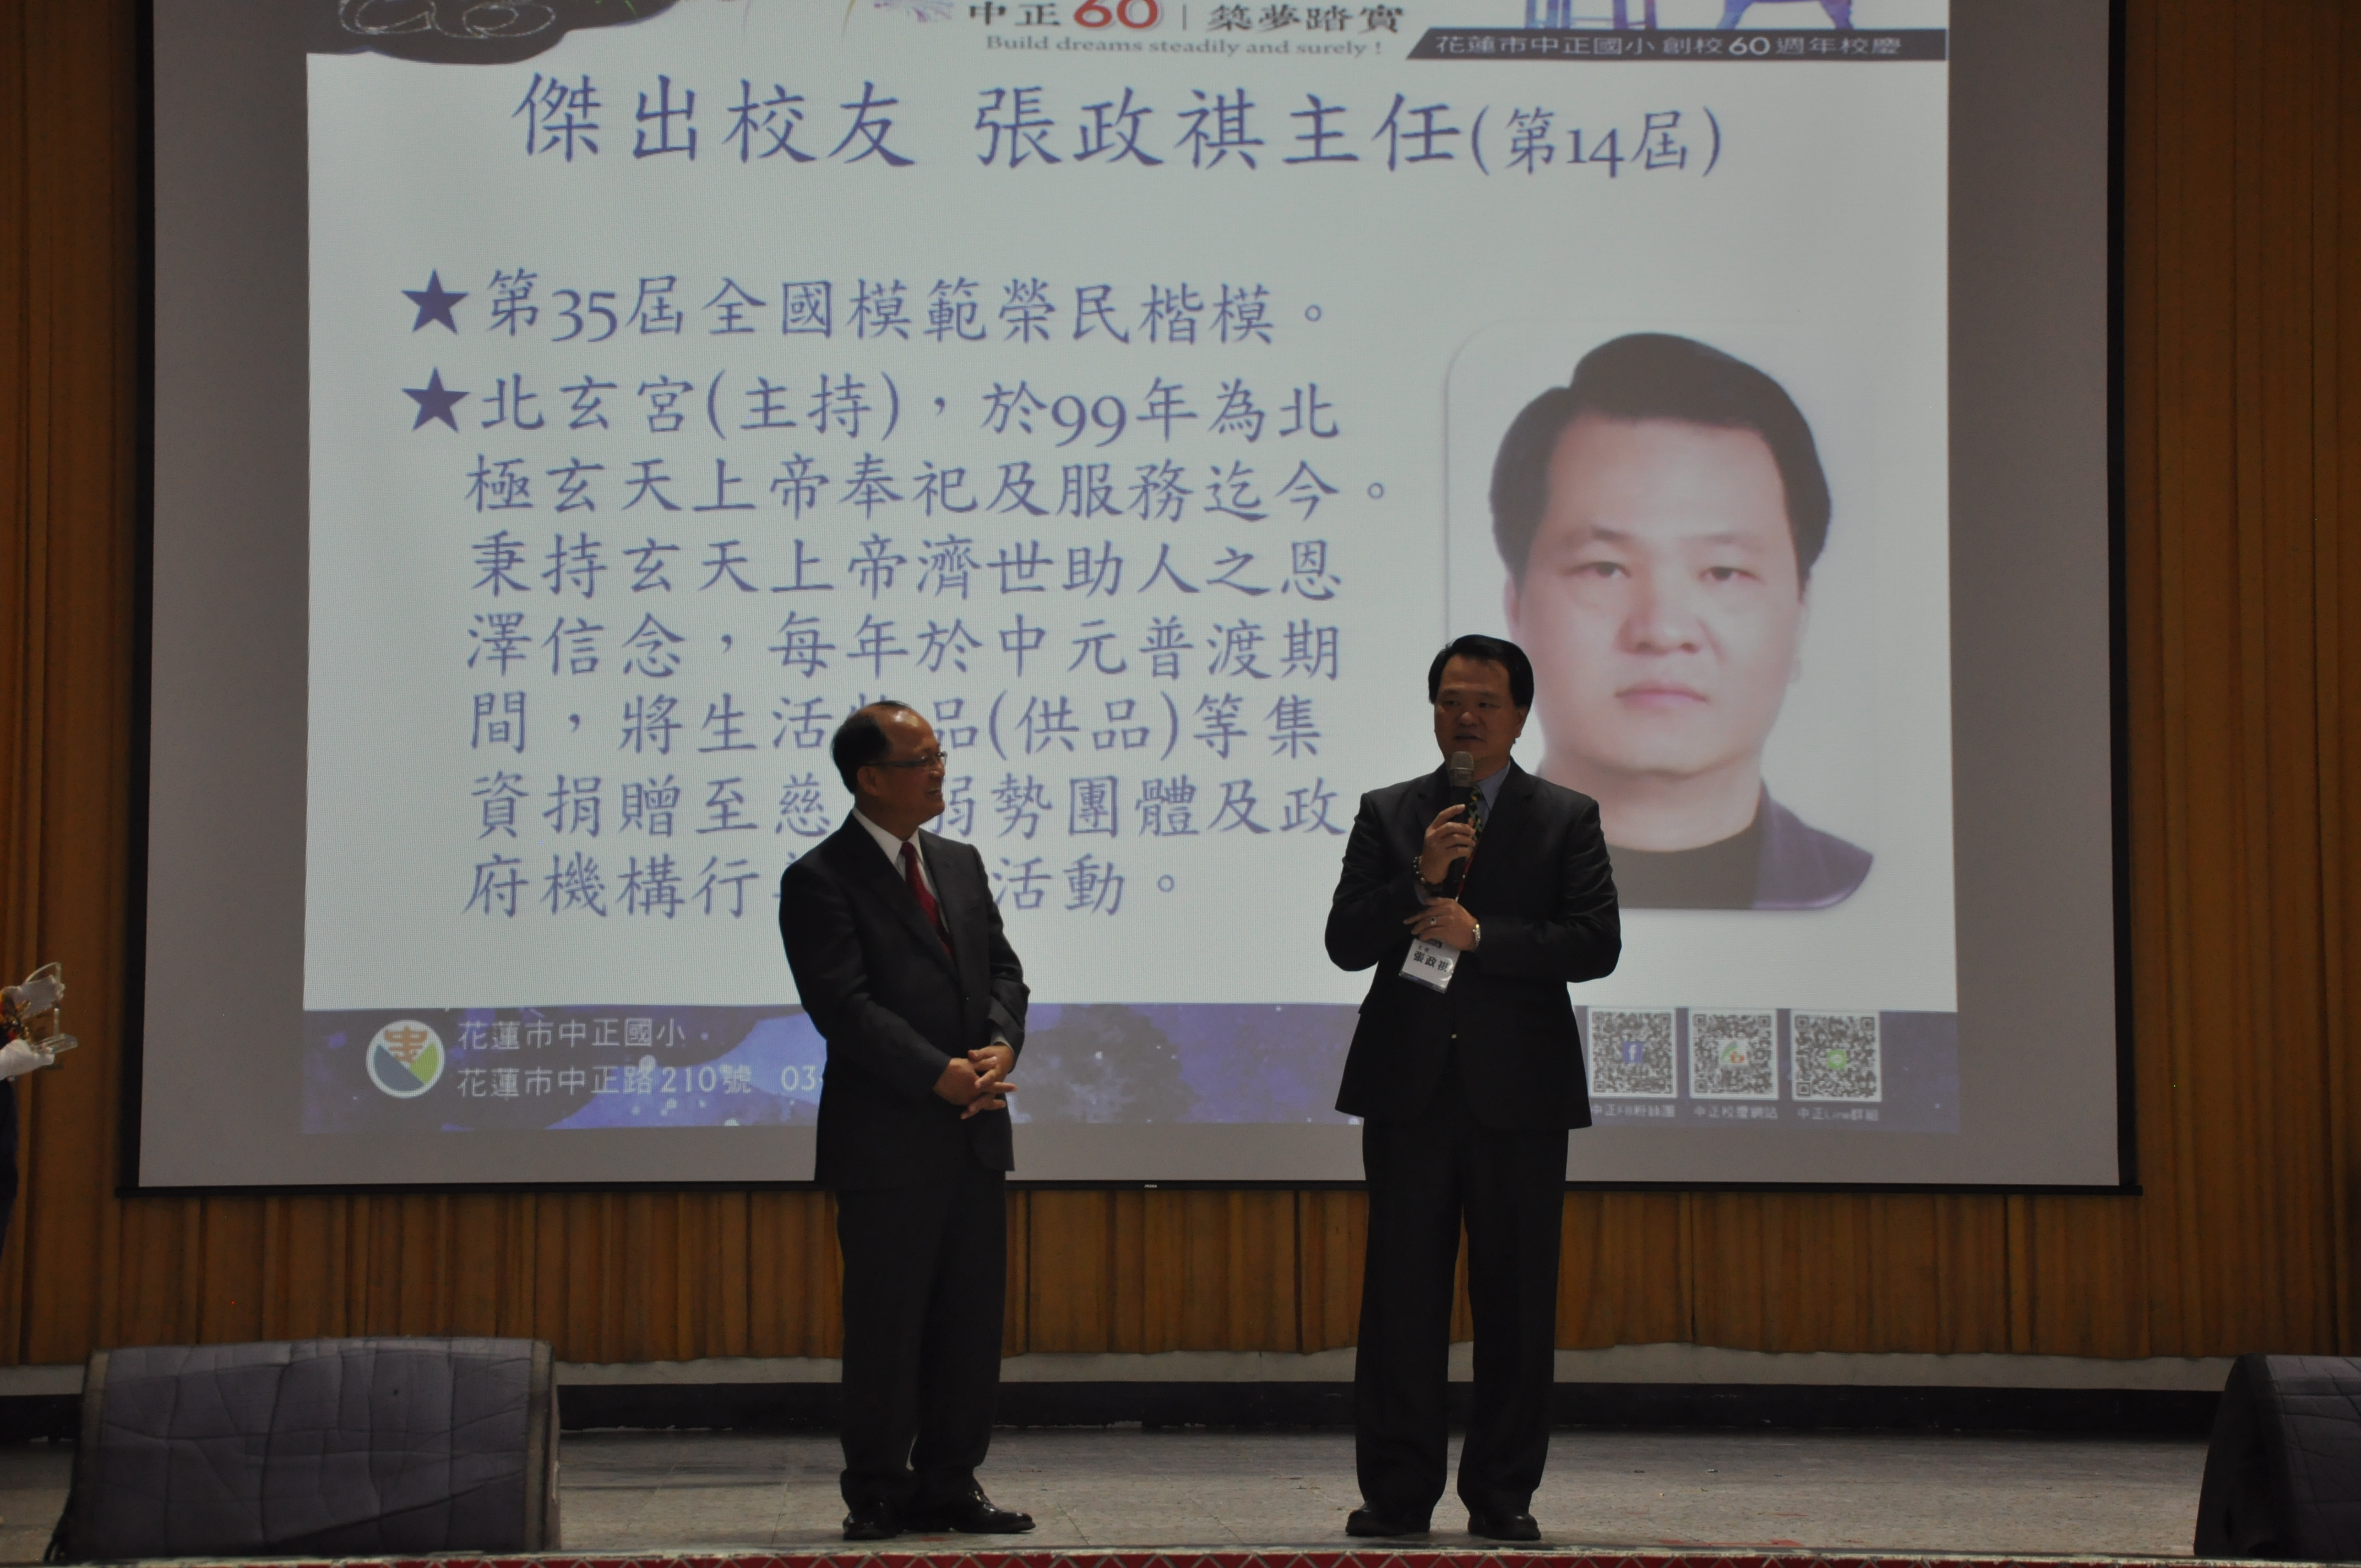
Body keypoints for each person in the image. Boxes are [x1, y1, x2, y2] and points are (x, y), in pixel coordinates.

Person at [1325, 635, 1621, 1542]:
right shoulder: (1390, 813)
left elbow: (1594, 942)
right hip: (1409, 1089)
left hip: (1519, 1094)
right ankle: (1396, 1492)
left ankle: (1502, 1493)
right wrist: (1416, 880)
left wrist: (1481, 936)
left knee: (1516, 1302)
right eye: (1451, 700)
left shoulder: (1565, 816)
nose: (1465, 717)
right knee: (1400, 1301)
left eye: (1485, 703)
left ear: (1519, 715)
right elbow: (1345, 940)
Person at [1492, 331, 1872, 910]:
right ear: (1516, 609)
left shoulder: (1874, 898)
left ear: (1800, 613)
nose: (1663, 631)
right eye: (1605, 568)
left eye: (1724, 572)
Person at [776, 701, 1034, 1543]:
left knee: (969, 1324)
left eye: (939, 755)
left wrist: (999, 1046)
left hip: (974, 1134)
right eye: (920, 759)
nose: (938, 771)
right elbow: (843, 1007)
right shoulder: (820, 878)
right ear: (870, 779)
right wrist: (938, 1075)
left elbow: (1005, 971)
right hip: (886, 1142)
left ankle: (952, 1483)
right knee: (888, 1327)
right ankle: (880, 1490)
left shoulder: (959, 863)